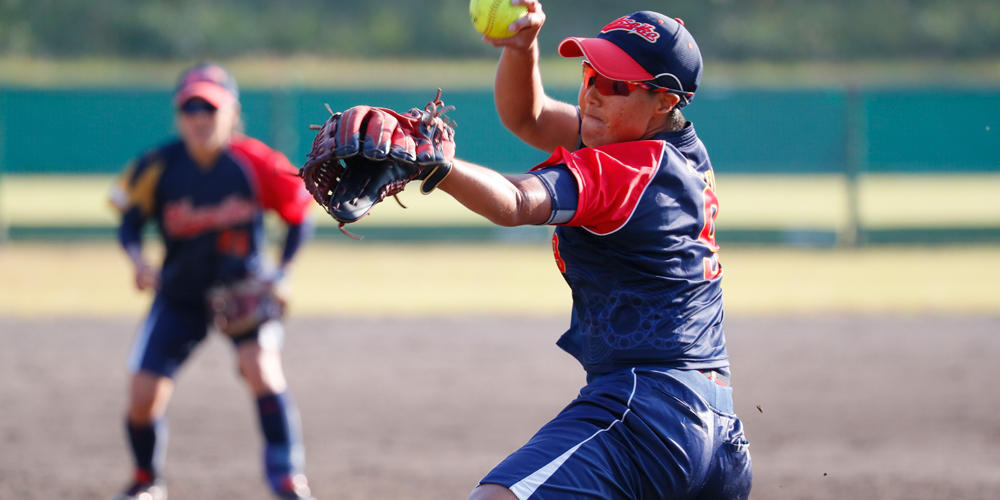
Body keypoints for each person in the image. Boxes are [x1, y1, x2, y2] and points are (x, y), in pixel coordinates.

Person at [445, 4, 754, 498]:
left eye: (616, 85)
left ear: (664, 99)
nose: (591, 94)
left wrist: (433, 166)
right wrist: (521, 50)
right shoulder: (673, 149)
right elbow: (529, 116)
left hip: (647, 412)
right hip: (715, 429)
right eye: (590, 73)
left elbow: (519, 202)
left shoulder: (626, 170)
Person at [108, 62, 317, 500]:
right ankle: (146, 480)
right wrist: (137, 260)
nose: (201, 117)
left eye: (211, 107)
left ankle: (286, 478)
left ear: (231, 113)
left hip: (242, 290)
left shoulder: (255, 162)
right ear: (179, 115)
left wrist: (282, 273)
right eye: (191, 107)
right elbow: (128, 222)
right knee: (142, 396)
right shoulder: (158, 165)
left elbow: (299, 215)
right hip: (179, 293)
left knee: (260, 367)